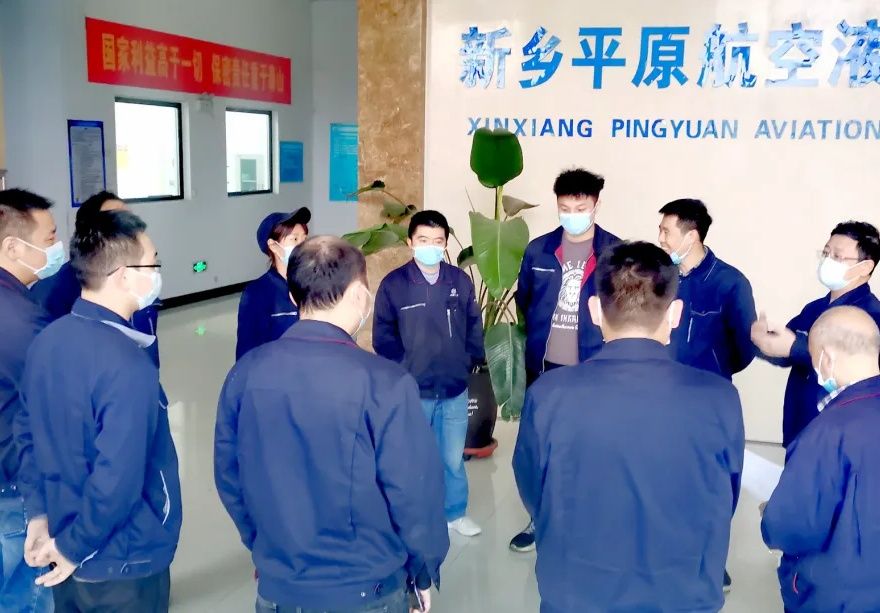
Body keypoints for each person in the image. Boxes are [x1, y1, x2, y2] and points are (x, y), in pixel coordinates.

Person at [216, 236, 449, 613]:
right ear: (359, 295)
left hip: (279, 588)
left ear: (293, 296)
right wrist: (423, 570)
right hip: (365, 590)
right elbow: (414, 493)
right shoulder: (385, 383)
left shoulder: (245, 374)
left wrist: (264, 547)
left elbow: (229, 477)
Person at [513, 241, 744, 613]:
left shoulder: (549, 394)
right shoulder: (719, 398)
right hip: (681, 592)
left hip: (577, 590)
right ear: (675, 313)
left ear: (594, 310)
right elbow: (725, 496)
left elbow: (532, 489)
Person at [17, 210, 181, 612]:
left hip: (63, 539)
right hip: (123, 560)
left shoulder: (47, 341)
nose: (157, 273)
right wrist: (74, 547)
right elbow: (118, 477)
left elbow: (27, 436)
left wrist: (39, 515)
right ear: (124, 276)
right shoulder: (127, 364)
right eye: (153, 263)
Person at [510, 168, 620, 552]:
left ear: (596, 205)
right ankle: (539, 518)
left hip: (594, 368)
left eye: (581, 208)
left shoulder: (615, 253)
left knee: (592, 446)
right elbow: (525, 301)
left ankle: (589, 521)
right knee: (542, 447)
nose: (572, 215)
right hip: (546, 369)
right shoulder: (538, 250)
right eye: (565, 208)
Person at [373, 211, 485, 537]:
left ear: (446, 244)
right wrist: (403, 370)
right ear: (410, 242)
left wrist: (468, 361)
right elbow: (383, 336)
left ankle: (455, 513)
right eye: (423, 240)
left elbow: (473, 326)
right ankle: (414, 516)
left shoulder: (459, 281)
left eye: (438, 241)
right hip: (413, 390)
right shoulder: (394, 285)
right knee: (412, 458)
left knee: (452, 458)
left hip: (454, 387)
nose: (431, 247)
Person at [762, 306, 880, 612]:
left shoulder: (827, 431)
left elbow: (788, 527)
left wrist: (769, 514)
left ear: (826, 359)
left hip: (838, 597)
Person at [752, 221, 880, 447]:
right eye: (826, 253)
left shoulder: (870, 316)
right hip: (799, 426)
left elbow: (856, 370)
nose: (827, 261)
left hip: (839, 434)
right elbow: (787, 351)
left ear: (865, 267)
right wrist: (763, 343)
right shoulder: (813, 309)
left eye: (837, 256)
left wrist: (797, 347)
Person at [0, 188, 59, 612]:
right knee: (26, 594)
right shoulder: (22, 321)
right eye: (50, 238)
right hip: (15, 485)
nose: (57, 248)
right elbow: (51, 409)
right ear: (13, 247)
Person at [30, 191, 161, 367]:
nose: (129, 228)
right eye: (116, 220)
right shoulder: (51, 292)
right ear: (91, 235)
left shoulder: (141, 284)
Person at [659, 199, 757, 379]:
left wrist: (714, 366)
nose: (660, 239)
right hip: (661, 383)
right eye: (660, 231)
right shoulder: (657, 276)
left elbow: (745, 349)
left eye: (666, 232)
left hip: (708, 387)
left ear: (691, 236)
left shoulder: (731, 283)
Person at [236, 208, 310, 360]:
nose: (303, 245)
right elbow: (246, 353)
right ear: (274, 246)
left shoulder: (315, 285)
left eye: (304, 238)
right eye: (295, 239)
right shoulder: (257, 293)